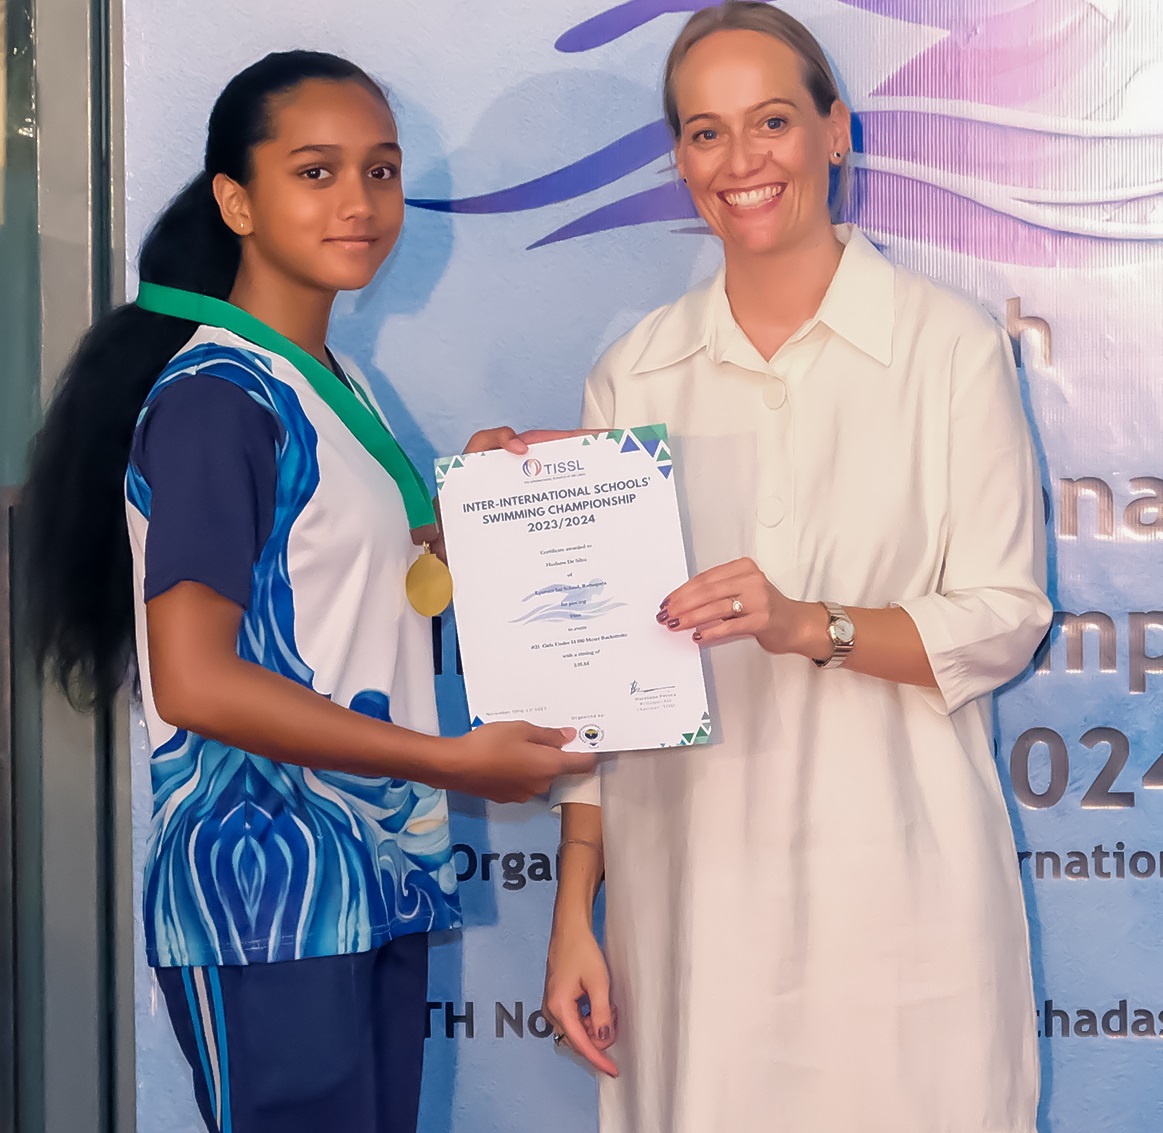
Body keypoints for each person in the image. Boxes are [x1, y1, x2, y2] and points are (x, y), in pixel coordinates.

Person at [22, 50, 593, 1133]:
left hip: (370, 874)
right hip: (270, 900)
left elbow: (345, 594)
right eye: (317, 172)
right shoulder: (215, 398)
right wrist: (446, 760)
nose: (360, 204)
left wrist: (472, 518)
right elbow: (192, 679)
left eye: (379, 172)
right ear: (237, 199)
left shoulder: (331, 383)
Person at [541, 5, 1052, 1132]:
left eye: (771, 120)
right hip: (688, 912)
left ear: (835, 131)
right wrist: (575, 905)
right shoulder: (633, 374)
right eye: (704, 133)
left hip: (902, 895)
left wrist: (804, 623)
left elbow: (1004, 614)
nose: (740, 161)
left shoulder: (945, 344)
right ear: (678, 159)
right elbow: (600, 685)